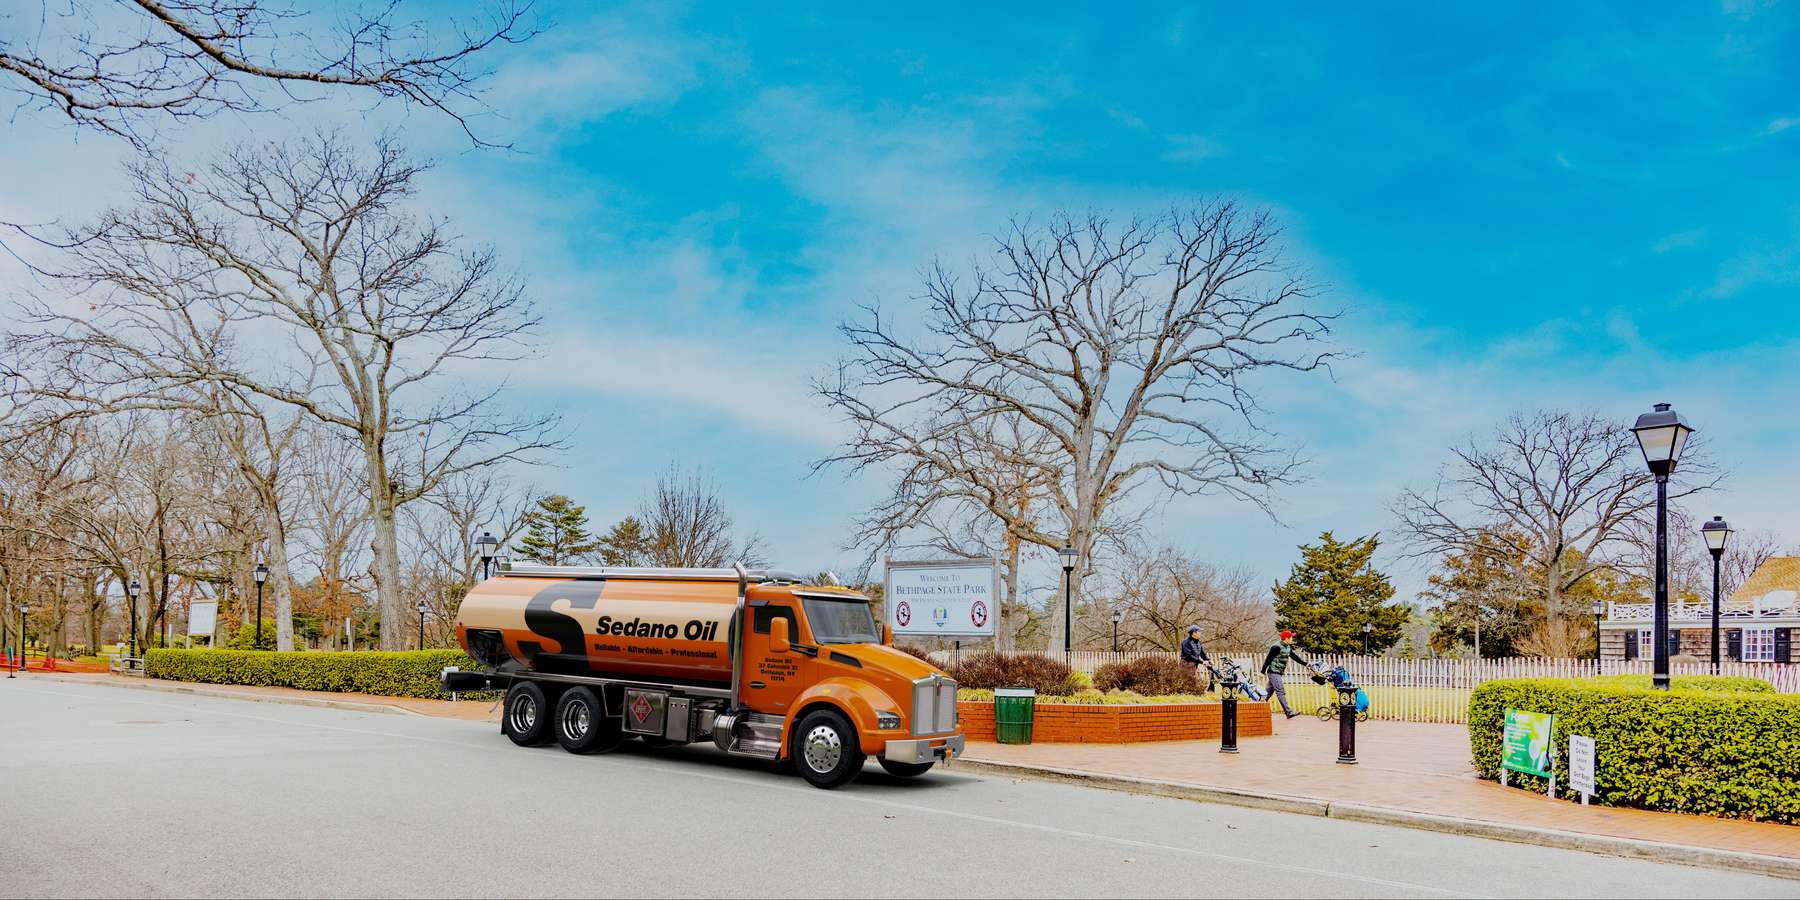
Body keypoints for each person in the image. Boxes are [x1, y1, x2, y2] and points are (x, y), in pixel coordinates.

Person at [1260, 630, 1312, 719]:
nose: (1292, 639)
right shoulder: (1276, 647)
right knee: (1280, 691)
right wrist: (1262, 671)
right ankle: (1288, 712)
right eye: (1291, 637)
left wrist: (1305, 664)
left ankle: (1257, 706)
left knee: (1267, 693)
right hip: (1273, 671)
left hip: (1278, 672)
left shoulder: (1287, 647)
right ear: (1286, 638)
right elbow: (1268, 659)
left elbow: (1295, 657)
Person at [1179, 625, 1212, 693]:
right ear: (1194, 633)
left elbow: (1202, 654)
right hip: (1186, 664)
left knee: (1192, 682)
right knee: (1187, 682)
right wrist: (1202, 662)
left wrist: (1208, 660)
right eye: (1199, 631)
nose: (1200, 633)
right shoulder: (1186, 642)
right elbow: (1188, 656)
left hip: (1194, 664)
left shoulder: (1198, 642)